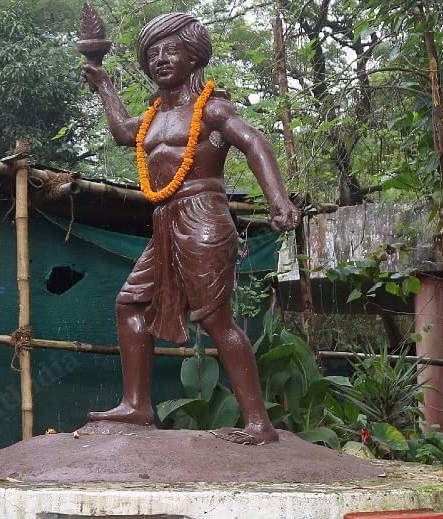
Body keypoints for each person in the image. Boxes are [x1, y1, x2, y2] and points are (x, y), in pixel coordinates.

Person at [82, 12, 300, 444]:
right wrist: (103, 83)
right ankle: (137, 406)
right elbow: (124, 133)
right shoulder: (153, 117)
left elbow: (254, 141)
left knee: (217, 321)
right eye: (153, 53)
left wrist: (278, 198)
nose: (161, 59)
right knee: (130, 304)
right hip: (164, 220)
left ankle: (260, 424)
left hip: (203, 216)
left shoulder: (212, 108)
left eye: (171, 50)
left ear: (193, 55)